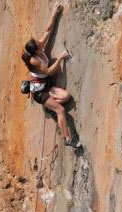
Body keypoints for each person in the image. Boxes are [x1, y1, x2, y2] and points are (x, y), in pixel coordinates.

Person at [21, 1, 79, 148]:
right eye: (39, 45)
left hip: (46, 85)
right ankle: (68, 139)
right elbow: (48, 71)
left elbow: (47, 31)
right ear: (36, 51)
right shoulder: (34, 61)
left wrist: (55, 12)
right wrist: (60, 58)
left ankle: (50, 107)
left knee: (66, 97)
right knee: (60, 110)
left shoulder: (37, 48)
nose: (41, 43)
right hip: (40, 93)